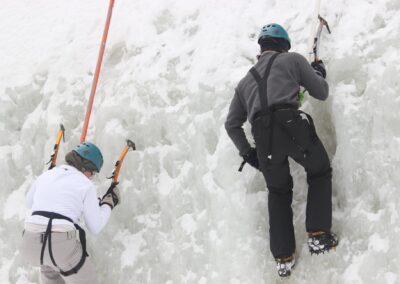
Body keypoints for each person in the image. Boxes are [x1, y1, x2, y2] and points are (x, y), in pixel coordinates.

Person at [225, 23, 338, 277]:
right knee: (319, 170)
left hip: (262, 136)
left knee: (278, 191)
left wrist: (248, 153)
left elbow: (231, 124)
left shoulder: (244, 83)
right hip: (290, 124)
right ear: (283, 45)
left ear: (261, 48)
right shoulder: (293, 61)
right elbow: (320, 91)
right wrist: (317, 72)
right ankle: (318, 235)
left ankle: (283, 258)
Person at [20, 142, 120, 283]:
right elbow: (95, 227)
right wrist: (108, 203)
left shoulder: (46, 175)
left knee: (50, 269)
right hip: (61, 246)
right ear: (86, 168)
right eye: (93, 173)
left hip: (30, 245)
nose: (91, 177)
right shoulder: (86, 185)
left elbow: (28, 202)